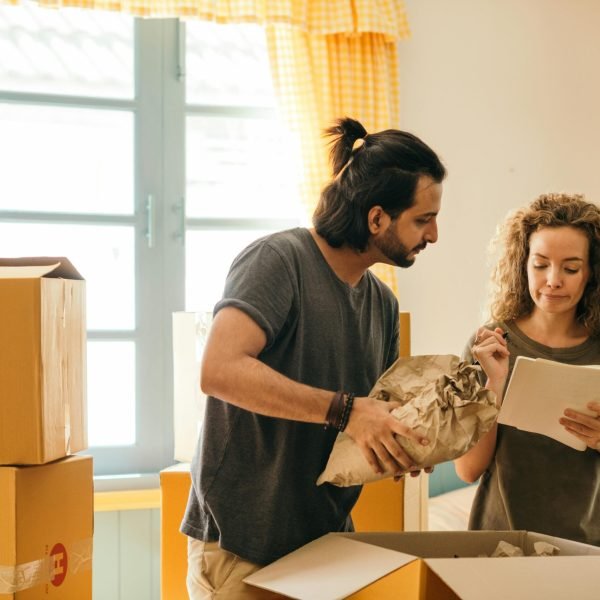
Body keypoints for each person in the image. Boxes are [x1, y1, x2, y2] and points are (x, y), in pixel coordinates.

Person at [181, 116, 447, 598]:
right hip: (241, 547)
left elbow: (363, 426)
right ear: (376, 218)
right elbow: (219, 370)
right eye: (423, 220)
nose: (433, 236)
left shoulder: (383, 305)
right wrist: (347, 411)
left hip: (327, 547)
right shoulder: (278, 261)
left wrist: (405, 444)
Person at [455, 193, 600, 546]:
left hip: (586, 551)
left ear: (591, 273)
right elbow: (467, 470)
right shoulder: (490, 344)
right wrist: (495, 383)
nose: (553, 280)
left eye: (570, 267)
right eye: (540, 264)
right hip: (499, 545)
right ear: (523, 263)